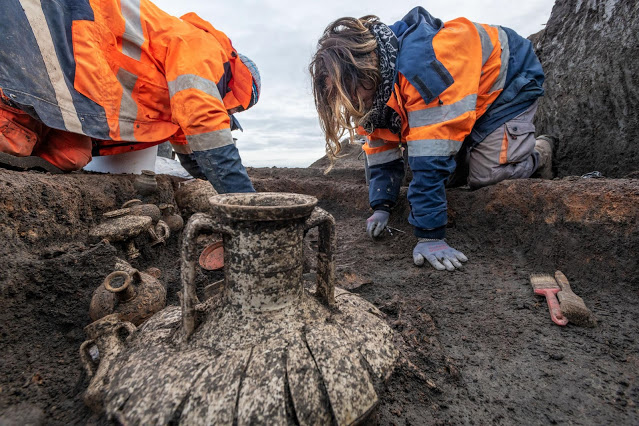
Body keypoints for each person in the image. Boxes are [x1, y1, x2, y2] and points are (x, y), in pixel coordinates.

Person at [309, 7, 551, 272]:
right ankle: (479, 149)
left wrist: (430, 235)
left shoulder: (423, 70)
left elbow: (431, 157)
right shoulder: (375, 89)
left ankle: (542, 150)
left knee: (486, 176)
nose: (352, 101)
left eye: (349, 90)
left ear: (363, 69)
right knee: (443, 178)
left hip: (507, 83)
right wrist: (381, 205)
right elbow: (380, 148)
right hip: (461, 98)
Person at [0, 0, 259, 193]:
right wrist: (243, 198)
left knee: (72, 154)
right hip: (73, 31)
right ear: (239, 88)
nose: (230, 114)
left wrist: (211, 185)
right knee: (13, 138)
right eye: (235, 110)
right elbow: (204, 119)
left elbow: (192, 149)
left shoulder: (186, 98)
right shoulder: (204, 48)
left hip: (81, 89)